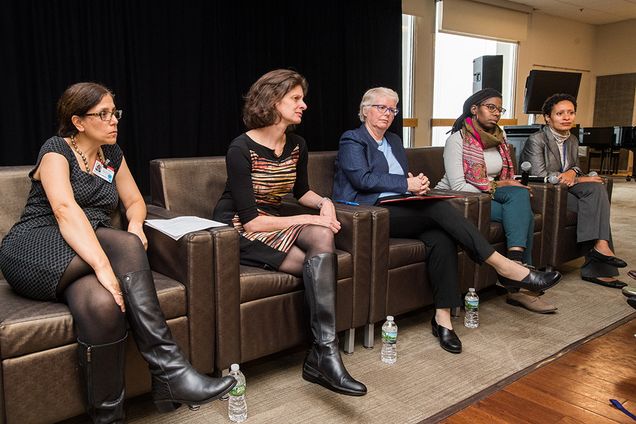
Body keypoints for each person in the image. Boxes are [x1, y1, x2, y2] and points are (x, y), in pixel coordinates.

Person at [0, 82, 236, 423]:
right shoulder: (55, 151)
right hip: (36, 244)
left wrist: (137, 225)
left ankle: (109, 417)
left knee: (103, 307)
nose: (114, 121)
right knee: (121, 246)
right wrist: (105, 269)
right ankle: (170, 370)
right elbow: (66, 211)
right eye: (104, 114)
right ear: (78, 121)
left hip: (84, 244)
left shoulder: (112, 154)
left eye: (115, 113)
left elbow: (135, 201)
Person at [333, 87, 562, 354]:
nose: (387, 114)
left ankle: (442, 319)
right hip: (370, 213)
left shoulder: (394, 140)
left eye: (392, 109)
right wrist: (406, 183)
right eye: (381, 108)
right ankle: (506, 267)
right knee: (438, 209)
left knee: (441, 236)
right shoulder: (352, 139)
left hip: (401, 206)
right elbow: (363, 179)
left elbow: (398, 176)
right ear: (364, 111)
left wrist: (417, 184)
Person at [212, 69, 367, 396]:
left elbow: (301, 191)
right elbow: (251, 221)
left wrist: (324, 204)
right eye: (296, 98)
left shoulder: (297, 144)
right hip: (241, 227)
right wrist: (307, 221)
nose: (304, 105)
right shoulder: (240, 148)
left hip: (277, 217)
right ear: (272, 101)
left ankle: (324, 353)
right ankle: (321, 357)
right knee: (315, 266)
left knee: (323, 241)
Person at [436, 89, 557, 314]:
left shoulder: (500, 138)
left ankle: (515, 266)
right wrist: (500, 185)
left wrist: (505, 185)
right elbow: (459, 186)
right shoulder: (457, 139)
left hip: (488, 193)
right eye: (490, 107)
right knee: (524, 214)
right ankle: (519, 286)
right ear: (475, 109)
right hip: (462, 198)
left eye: (499, 109)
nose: (496, 113)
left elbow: (503, 177)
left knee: (520, 196)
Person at [521, 93, 627, 288]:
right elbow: (539, 175)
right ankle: (599, 264)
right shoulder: (537, 140)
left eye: (571, 112)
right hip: (547, 193)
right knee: (593, 204)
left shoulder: (572, 139)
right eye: (560, 113)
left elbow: (576, 167)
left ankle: (601, 247)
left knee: (596, 189)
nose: (566, 117)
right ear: (547, 117)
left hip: (566, 190)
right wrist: (575, 176)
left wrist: (573, 172)